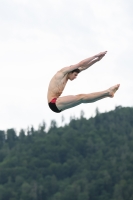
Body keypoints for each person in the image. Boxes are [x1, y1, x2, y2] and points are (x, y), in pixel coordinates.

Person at [47, 51, 120, 113]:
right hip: (53, 102)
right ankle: (107, 92)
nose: (75, 77)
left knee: (82, 99)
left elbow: (83, 67)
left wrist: (97, 60)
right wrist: (95, 55)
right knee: (81, 97)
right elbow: (80, 64)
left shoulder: (67, 75)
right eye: (75, 75)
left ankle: (107, 94)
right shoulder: (61, 73)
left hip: (57, 106)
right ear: (70, 72)